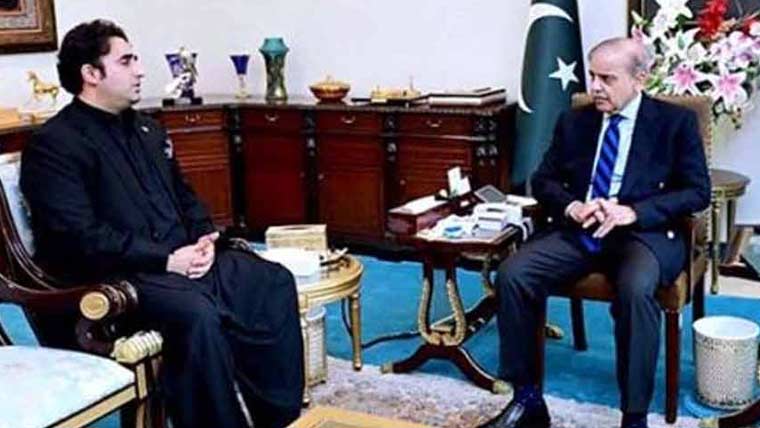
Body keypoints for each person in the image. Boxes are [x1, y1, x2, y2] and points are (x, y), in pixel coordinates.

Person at [20, 19, 304, 428]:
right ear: (91, 74)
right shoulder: (54, 144)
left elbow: (184, 197)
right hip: (119, 275)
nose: (140, 70)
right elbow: (79, 237)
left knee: (271, 281)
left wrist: (205, 238)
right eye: (126, 61)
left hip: (182, 260)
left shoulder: (147, 129)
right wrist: (168, 260)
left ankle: (278, 419)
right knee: (196, 313)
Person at [486, 38, 710, 428]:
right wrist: (572, 206)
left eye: (608, 78)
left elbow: (697, 192)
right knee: (514, 274)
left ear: (640, 78)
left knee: (636, 289)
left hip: (643, 234)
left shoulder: (675, 122)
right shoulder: (575, 121)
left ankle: (634, 417)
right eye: (592, 76)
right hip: (582, 229)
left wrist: (633, 212)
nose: (596, 87)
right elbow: (543, 180)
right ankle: (527, 401)